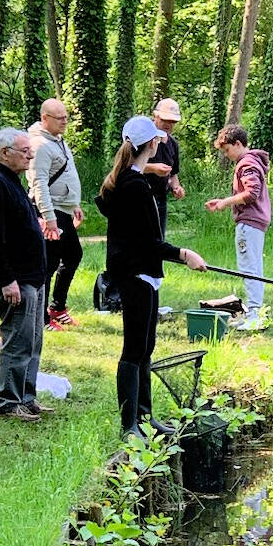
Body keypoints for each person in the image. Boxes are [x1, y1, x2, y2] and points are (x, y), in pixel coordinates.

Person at [96, 116, 206, 442]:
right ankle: (129, 425)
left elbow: (114, 213)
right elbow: (150, 243)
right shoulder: (135, 188)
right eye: (158, 139)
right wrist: (186, 255)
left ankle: (145, 417)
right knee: (133, 349)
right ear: (153, 144)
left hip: (142, 272)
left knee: (146, 346)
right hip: (135, 274)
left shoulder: (126, 180)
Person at [0, 129, 49, 422]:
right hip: (16, 279)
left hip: (33, 276)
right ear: (4, 152)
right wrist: (6, 279)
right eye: (24, 151)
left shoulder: (12, 181)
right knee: (17, 341)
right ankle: (7, 402)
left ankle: (26, 397)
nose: (30, 155)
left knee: (33, 341)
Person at [205, 125, 271, 332]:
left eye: (227, 150)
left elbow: (251, 193)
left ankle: (253, 315)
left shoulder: (247, 164)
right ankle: (255, 313)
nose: (226, 155)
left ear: (238, 144)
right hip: (256, 222)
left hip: (249, 223)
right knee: (255, 268)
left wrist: (226, 202)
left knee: (249, 269)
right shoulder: (252, 161)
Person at [27, 99, 83, 330]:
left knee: (73, 255)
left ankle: (57, 307)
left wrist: (74, 204)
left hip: (64, 209)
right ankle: (41, 318)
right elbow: (38, 183)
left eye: (66, 117)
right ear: (45, 118)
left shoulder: (58, 140)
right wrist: (49, 218)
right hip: (51, 212)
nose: (64, 121)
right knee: (48, 264)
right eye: (59, 118)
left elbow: (65, 173)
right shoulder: (39, 145)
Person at [142, 97, 186, 236]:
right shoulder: (142, 138)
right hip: (141, 197)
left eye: (173, 121)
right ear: (155, 116)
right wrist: (153, 168)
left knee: (159, 241)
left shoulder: (173, 144)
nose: (169, 124)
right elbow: (127, 166)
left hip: (161, 200)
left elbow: (173, 174)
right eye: (165, 120)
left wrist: (176, 187)